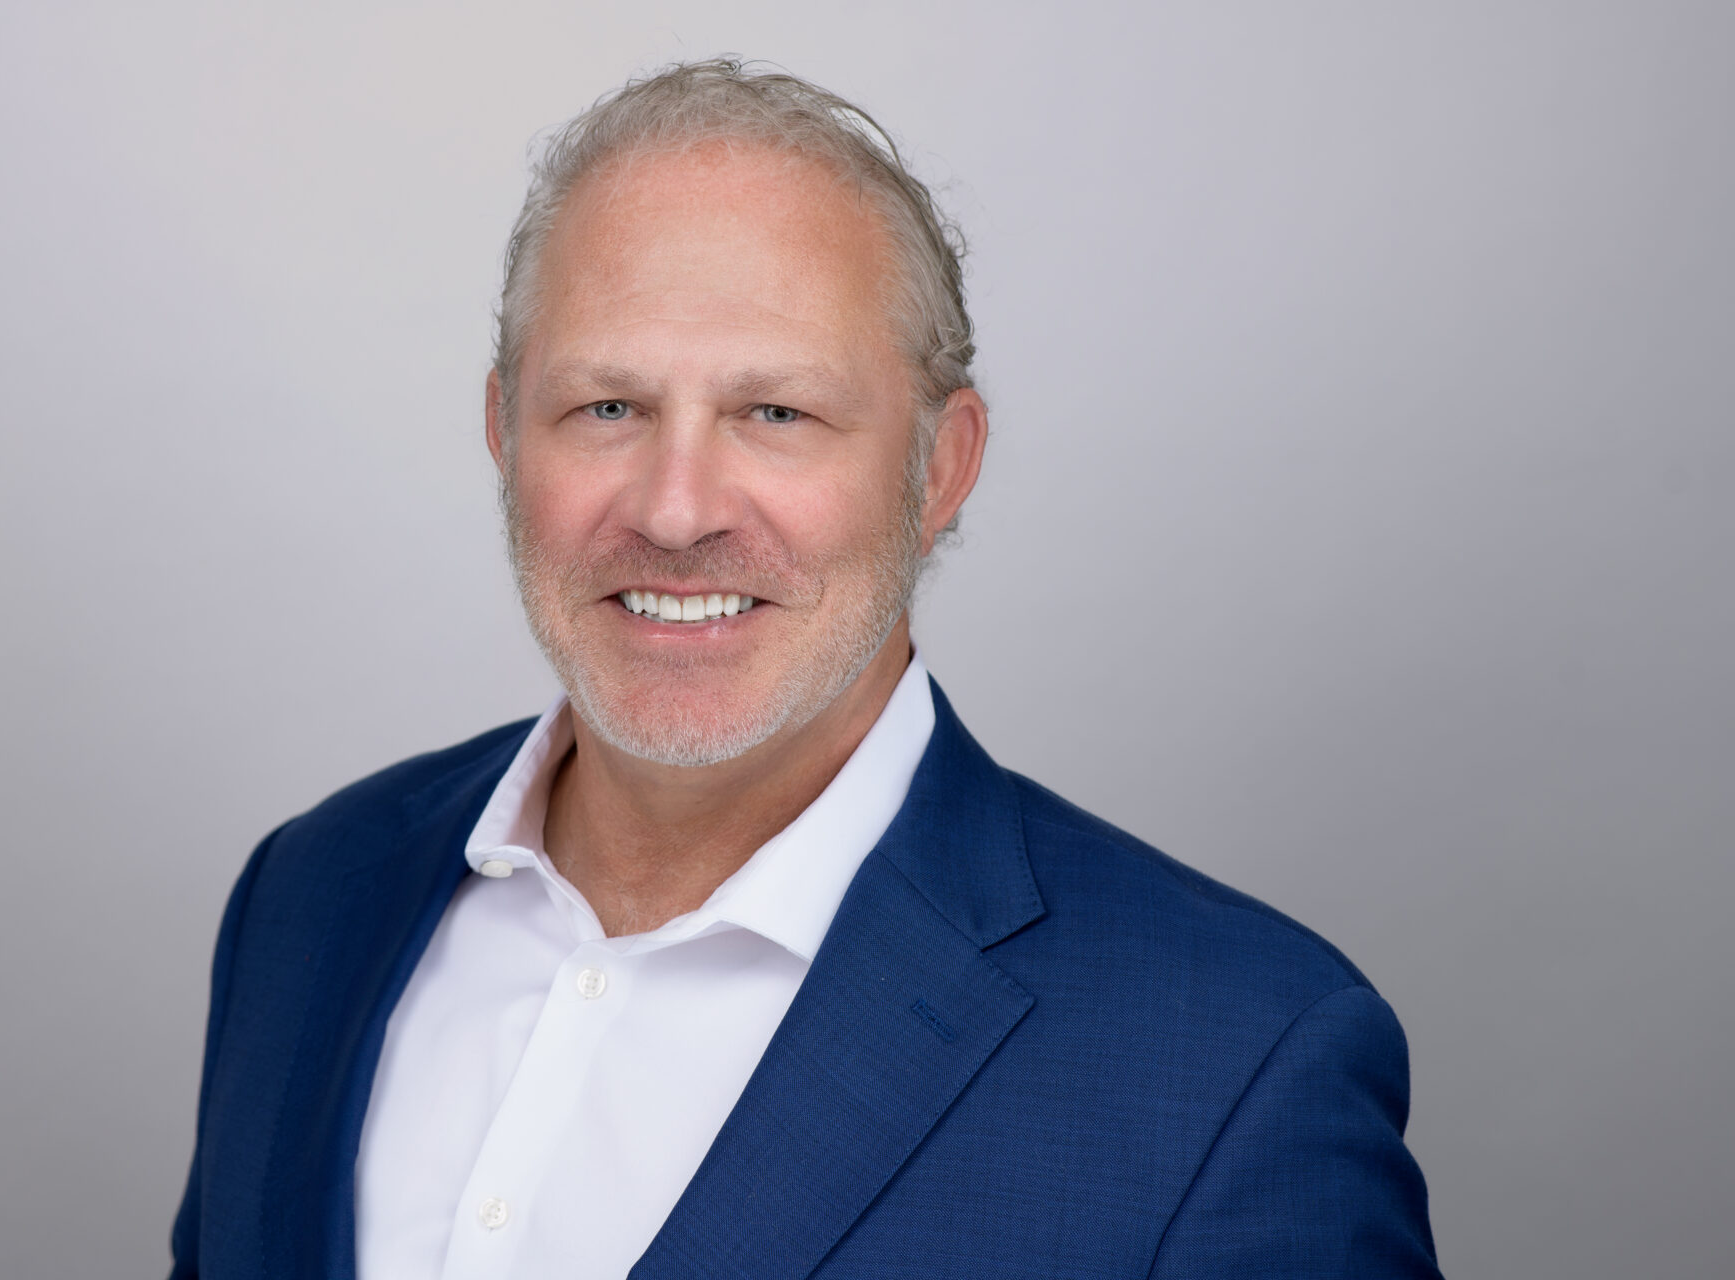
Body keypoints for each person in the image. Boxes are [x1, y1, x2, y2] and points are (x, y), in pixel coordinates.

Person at [168, 59, 1442, 1280]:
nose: (675, 511)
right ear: (504, 429)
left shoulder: (1235, 1063)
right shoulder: (310, 894)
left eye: (776, 412)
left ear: (940, 468)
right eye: (607, 406)